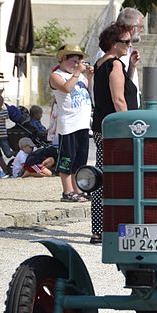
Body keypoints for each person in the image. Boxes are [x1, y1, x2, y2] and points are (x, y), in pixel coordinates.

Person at [91, 23, 140, 244]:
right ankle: (116, 227)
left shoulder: (101, 64)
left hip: (102, 127)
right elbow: (119, 99)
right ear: (113, 43)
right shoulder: (114, 65)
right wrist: (131, 126)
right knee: (120, 178)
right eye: (126, 42)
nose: (129, 45)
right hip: (117, 130)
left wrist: (131, 67)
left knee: (102, 177)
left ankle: (99, 228)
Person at [50, 43, 92, 202]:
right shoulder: (56, 75)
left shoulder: (80, 76)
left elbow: (90, 93)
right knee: (67, 159)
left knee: (80, 160)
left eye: (78, 61)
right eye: (73, 61)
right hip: (68, 124)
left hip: (83, 124)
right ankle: (67, 191)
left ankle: (77, 189)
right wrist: (77, 73)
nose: (76, 64)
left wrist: (89, 77)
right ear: (62, 59)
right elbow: (66, 89)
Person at [94, 7, 144, 104]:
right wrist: (125, 117)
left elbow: (124, 83)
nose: (141, 30)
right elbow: (117, 98)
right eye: (140, 26)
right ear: (132, 27)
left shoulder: (124, 49)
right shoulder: (109, 54)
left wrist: (131, 66)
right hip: (118, 114)